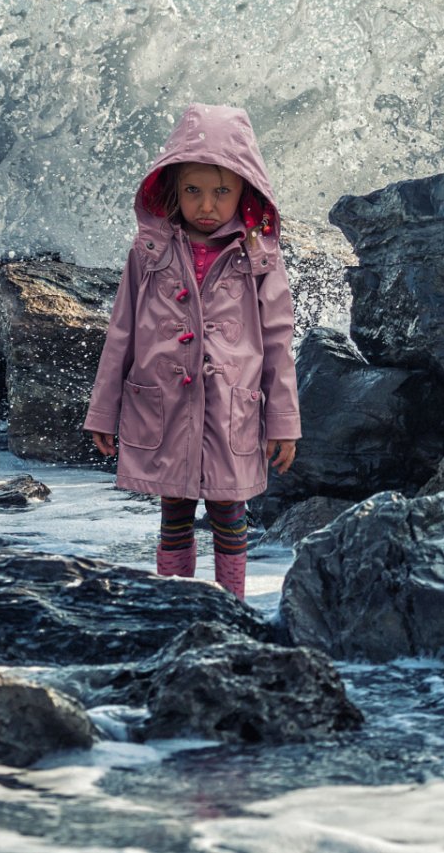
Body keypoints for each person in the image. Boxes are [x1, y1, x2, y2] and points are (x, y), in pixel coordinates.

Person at [83, 103, 300, 600]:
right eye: (193, 190)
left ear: (246, 189)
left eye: (222, 190)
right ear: (172, 190)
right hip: (165, 406)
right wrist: (103, 411)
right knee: (174, 509)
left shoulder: (259, 256)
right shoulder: (148, 252)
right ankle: (173, 607)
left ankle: (232, 609)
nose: (207, 203)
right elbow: (121, 332)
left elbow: (276, 341)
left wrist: (284, 422)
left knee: (230, 511)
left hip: (231, 410)